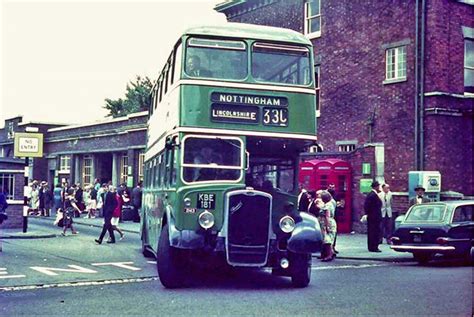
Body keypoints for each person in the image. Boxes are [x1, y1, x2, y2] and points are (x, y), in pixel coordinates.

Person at [364, 180, 383, 252]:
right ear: (376, 187)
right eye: (378, 186)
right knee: (374, 232)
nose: (379, 187)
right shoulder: (373, 195)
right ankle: (374, 247)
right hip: (374, 217)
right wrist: (370, 214)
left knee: (372, 232)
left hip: (373, 217)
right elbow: (367, 206)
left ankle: (372, 246)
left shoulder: (372, 194)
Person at [318, 191, 337, 262]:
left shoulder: (327, 206)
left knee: (328, 240)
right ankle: (329, 254)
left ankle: (330, 255)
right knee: (327, 240)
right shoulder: (329, 204)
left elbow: (327, 216)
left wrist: (327, 226)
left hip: (327, 223)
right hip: (325, 223)